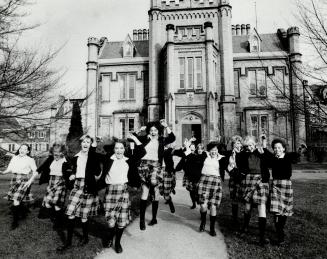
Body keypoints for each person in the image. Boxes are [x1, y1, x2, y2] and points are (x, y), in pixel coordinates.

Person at [97, 134, 145, 253]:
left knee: (121, 221)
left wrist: (134, 138)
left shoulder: (128, 160)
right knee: (111, 222)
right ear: (114, 149)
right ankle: (109, 237)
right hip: (110, 192)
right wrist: (95, 143)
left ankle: (117, 242)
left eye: (121, 148)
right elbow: (93, 155)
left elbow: (142, 151)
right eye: (117, 148)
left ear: (125, 149)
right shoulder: (108, 158)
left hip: (123, 192)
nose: (119, 151)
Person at [57, 135, 102, 251]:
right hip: (77, 186)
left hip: (88, 187)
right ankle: (68, 243)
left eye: (88, 142)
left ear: (91, 145)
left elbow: (98, 171)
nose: (85, 144)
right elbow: (66, 169)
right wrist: (70, 174)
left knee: (83, 216)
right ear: (81, 144)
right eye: (84, 142)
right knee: (70, 213)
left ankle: (85, 237)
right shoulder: (74, 157)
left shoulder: (93, 157)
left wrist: (96, 173)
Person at [137, 119, 175, 230]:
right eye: (151, 130)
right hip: (144, 165)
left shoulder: (162, 140)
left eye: (155, 130)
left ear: (158, 131)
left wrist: (166, 126)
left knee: (154, 187)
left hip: (156, 165)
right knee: (145, 192)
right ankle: (142, 220)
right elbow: (131, 138)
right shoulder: (145, 139)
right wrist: (140, 131)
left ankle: (154, 218)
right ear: (149, 131)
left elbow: (172, 138)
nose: (153, 132)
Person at [185, 141, 226, 237]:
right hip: (204, 181)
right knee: (203, 206)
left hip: (216, 183)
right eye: (212, 150)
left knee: (213, 206)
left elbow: (228, 166)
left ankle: (212, 228)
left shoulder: (221, 158)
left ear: (218, 151)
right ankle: (203, 223)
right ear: (209, 150)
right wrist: (187, 148)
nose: (213, 152)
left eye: (215, 150)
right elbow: (190, 158)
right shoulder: (204, 156)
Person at [266, 138, 298, 245]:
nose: (277, 149)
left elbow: (297, 155)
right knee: (276, 210)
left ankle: (280, 228)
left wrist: (301, 149)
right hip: (275, 185)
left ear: (283, 149)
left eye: (279, 147)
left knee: (284, 211)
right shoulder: (272, 158)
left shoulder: (288, 157)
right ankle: (280, 235)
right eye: (275, 148)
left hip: (286, 186)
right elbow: (264, 156)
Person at [240, 136, 270, 246]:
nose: (249, 148)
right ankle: (245, 227)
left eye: (251, 145)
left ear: (255, 144)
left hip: (261, 181)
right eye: (247, 146)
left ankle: (262, 237)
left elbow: (270, 161)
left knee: (261, 206)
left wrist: (264, 150)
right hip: (249, 180)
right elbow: (241, 167)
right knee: (247, 207)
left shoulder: (262, 151)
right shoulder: (244, 155)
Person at [2, 144, 38, 230]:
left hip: (24, 180)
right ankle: (20, 213)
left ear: (28, 151)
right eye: (21, 148)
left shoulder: (30, 159)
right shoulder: (14, 157)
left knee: (16, 200)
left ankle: (15, 222)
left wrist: (30, 181)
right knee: (16, 200)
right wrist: (3, 172)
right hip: (14, 179)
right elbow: (9, 168)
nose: (22, 150)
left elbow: (35, 172)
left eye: (25, 149)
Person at [37, 143, 72, 229]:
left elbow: (73, 170)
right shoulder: (50, 159)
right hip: (51, 182)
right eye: (54, 151)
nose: (56, 153)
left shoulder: (66, 161)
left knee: (57, 204)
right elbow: (40, 169)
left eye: (58, 151)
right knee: (48, 203)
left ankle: (59, 223)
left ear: (63, 152)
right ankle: (57, 217)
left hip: (61, 182)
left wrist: (72, 176)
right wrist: (30, 180)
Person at [179, 141, 206, 209]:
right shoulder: (193, 155)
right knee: (191, 191)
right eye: (198, 149)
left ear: (203, 149)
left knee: (198, 191)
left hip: (200, 177)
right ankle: (193, 202)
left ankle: (197, 201)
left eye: (201, 149)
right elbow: (187, 163)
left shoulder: (205, 156)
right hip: (192, 176)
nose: (200, 150)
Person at [224, 135, 244, 228]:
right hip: (233, 178)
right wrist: (230, 171)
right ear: (232, 145)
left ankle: (244, 220)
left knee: (244, 198)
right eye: (236, 143)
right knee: (234, 198)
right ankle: (235, 219)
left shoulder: (244, 153)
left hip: (243, 179)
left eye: (239, 143)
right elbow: (225, 164)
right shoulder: (229, 154)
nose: (237, 145)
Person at [160, 142, 177, 213]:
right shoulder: (159, 149)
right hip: (159, 171)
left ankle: (171, 191)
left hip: (167, 171)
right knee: (162, 191)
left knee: (171, 185)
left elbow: (174, 150)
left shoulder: (169, 150)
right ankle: (169, 200)